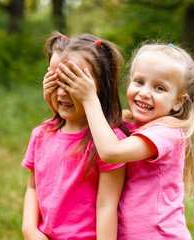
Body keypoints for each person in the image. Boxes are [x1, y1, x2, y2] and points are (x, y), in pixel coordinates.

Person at [52, 42, 194, 239]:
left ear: (178, 101)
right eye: (139, 82)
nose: (144, 93)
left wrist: (89, 98)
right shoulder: (130, 123)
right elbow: (86, 128)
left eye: (159, 88)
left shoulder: (167, 133)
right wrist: (54, 100)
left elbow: (111, 152)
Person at [22, 31, 128, 240]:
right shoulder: (41, 134)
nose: (61, 93)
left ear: (97, 88)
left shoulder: (109, 143)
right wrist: (30, 230)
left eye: (72, 83)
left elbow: (107, 205)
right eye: (56, 80)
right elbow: (32, 188)